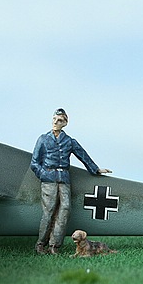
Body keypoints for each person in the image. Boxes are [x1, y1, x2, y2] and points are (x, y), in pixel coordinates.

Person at [30, 108, 111, 255]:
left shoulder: (69, 141)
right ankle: (40, 244)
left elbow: (83, 155)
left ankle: (54, 245)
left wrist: (95, 169)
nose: (56, 122)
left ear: (65, 123)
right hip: (49, 179)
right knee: (48, 211)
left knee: (65, 210)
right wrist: (43, 174)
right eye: (54, 119)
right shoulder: (43, 139)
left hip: (64, 179)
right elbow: (34, 162)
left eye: (60, 120)